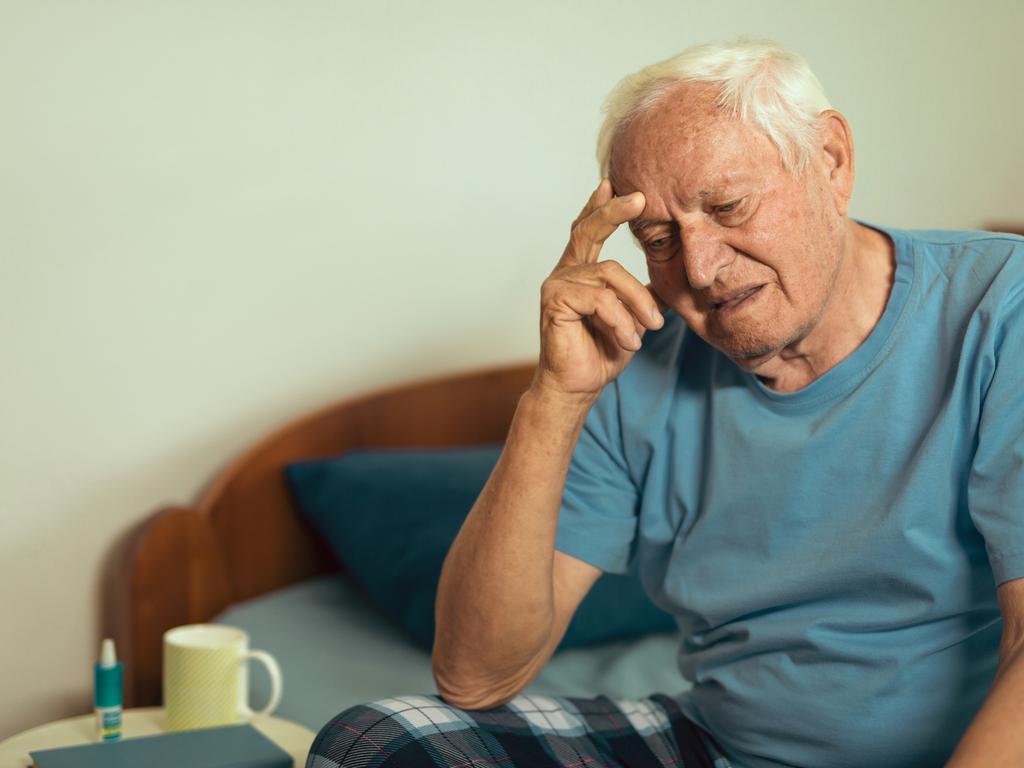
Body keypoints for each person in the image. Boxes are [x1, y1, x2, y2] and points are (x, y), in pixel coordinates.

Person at [308, 39, 1024, 768]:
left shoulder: (1003, 308)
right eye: (659, 238)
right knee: (379, 744)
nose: (702, 269)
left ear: (831, 160)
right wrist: (555, 398)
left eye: (729, 206)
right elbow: (474, 674)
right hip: (722, 746)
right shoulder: (635, 366)